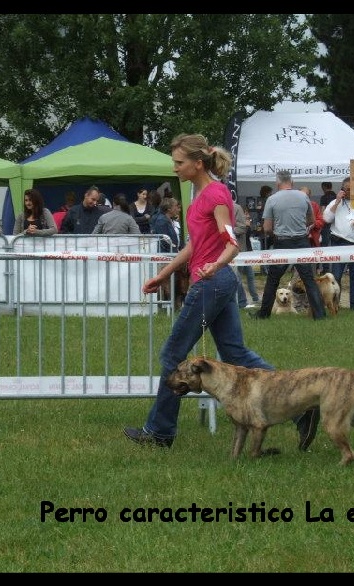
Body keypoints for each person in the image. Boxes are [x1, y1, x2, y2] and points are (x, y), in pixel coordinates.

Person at [123, 133, 319, 451]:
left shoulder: (215, 195)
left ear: (198, 164)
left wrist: (214, 266)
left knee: (173, 355)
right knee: (236, 355)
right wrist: (164, 274)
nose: (174, 168)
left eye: (179, 162)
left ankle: (159, 432)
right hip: (219, 283)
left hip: (213, 283)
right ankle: (301, 409)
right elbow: (194, 244)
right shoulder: (199, 194)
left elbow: (232, 244)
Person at [255, 171, 327, 320]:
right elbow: (311, 220)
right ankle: (320, 315)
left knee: (273, 279)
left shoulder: (272, 199)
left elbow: (267, 228)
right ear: (292, 182)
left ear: (277, 183)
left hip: (282, 242)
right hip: (302, 241)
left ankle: (263, 315)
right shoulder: (303, 196)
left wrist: (276, 231)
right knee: (309, 280)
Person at [322, 176, 354, 310]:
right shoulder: (334, 202)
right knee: (336, 276)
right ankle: (335, 304)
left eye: (352, 190)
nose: (349, 192)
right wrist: (337, 201)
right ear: (342, 189)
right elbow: (326, 218)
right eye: (347, 189)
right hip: (339, 243)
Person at [233, 200, 260, 309]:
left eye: (248, 214)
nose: (247, 215)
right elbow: (241, 230)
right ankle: (242, 301)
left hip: (247, 251)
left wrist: (248, 226)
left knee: (250, 276)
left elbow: (250, 232)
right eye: (246, 213)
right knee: (238, 276)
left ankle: (255, 298)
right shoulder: (241, 223)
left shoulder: (246, 223)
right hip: (240, 252)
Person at [318, 181, 336, 273]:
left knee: (324, 247)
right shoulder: (337, 196)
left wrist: (320, 224)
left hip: (326, 225)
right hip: (335, 224)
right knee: (334, 247)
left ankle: (326, 268)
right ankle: (335, 268)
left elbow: (322, 211)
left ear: (324, 187)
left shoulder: (324, 197)